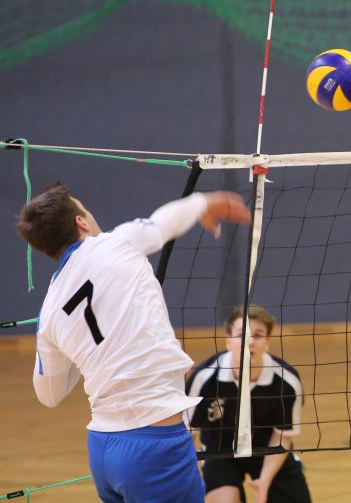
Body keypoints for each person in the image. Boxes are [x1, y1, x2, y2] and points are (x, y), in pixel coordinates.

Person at [18, 183, 251, 502]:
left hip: (103, 448)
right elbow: (163, 223)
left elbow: (49, 395)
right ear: (81, 222)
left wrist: (82, 352)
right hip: (154, 446)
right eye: (85, 209)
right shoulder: (117, 243)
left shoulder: (50, 311)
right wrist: (204, 202)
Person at [187, 305, 311, 503]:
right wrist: (188, 480)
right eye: (241, 335)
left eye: (258, 335)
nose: (250, 341)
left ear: (267, 342)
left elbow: (281, 438)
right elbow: (186, 434)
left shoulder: (286, 381)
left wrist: (265, 482)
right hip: (219, 452)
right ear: (228, 341)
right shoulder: (204, 379)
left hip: (268, 450)